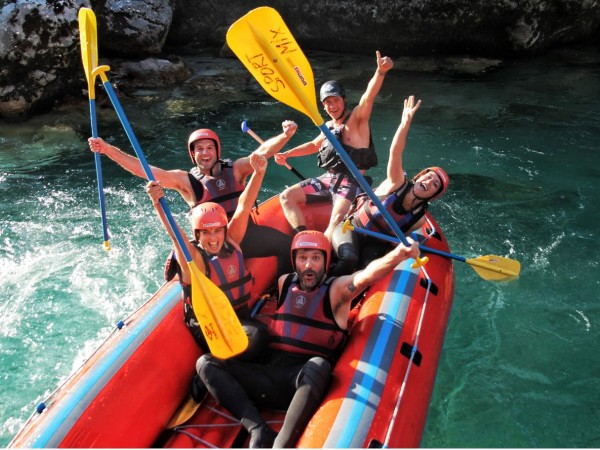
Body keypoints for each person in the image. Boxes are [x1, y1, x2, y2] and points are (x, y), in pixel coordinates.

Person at [196, 230, 420, 448]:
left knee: (319, 365)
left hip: (300, 383)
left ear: (326, 261)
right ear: (294, 261)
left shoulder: (337, 290)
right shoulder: (285, 282)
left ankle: (281, 445)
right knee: (205, 362)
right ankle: (257, 429)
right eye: (303, 258)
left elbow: (365, 276)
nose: (309, 265)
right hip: (266, 374)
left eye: (315, 258)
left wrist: (399, 254)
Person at [89, 120, 298, 277]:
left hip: (247, 235)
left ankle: (282, 290)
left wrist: (285, 135)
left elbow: (262, 152)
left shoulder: (235, 170)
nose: (204, 153)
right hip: (214, 243)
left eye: (209, 148)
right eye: (199, 149)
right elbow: (145, 170)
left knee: (287, 245)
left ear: (217, 151)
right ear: (192, 154)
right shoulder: (186, 181)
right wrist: (107, 150)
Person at [145, 152, 269, 353]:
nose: (213, 239)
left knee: (262, 336)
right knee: (259, 336)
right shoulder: (193, 259)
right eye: (206, 233)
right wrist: (158, 203)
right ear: (197, 235)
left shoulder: (231, 240)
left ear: (224, 229)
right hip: (214, 330)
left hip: (239, 318)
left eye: (217, 230)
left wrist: (258, 173)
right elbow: (176, 236)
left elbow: (244, 206)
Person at [274, 51, 393, 242]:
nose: (332, 106)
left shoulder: (356, 121)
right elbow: (314, 145)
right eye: (327, 102)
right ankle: (304, 240)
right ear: (323, 106)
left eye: (336, 100)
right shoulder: (328, 126)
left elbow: (368, 98)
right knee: (287, 197)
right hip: (328, 179)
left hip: (352, 183)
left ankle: (323, 253)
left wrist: (380, 72)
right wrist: (287, 154)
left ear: (344, 100)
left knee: (336, 221)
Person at [330, 95, 450, 276]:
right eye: (428, 177)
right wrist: (405, 123)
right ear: (418, 178)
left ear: (433, 196)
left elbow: (395, 239)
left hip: (376, 244)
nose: (428, 182)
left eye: (434, 185)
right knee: (349, 258)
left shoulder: (419, 218)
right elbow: (395, 151)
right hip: (352, 227)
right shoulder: (397, 181)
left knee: (367, 270)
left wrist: (403, 244)